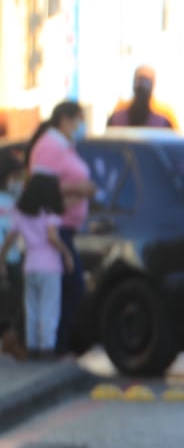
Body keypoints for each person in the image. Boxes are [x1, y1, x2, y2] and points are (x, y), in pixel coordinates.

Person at [27, 101, 95, 355]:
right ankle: (54, 346)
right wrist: (78, 190)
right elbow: (40, 186)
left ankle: (55, 345)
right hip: (55, 228)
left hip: (66, 226)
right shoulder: (49, 146)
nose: (81, 125)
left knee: (66, 289)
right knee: (69, 287)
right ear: (66, 119)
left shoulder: (66, 146)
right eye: (79, 120)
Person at [0, 174, 74, 360]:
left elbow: (10, 238)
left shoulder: (20, 213)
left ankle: (32, 347)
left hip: (30, 265)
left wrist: (1, 258)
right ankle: (47, 348)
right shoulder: (50, 213)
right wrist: (66, 253)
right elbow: (52, 236)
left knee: (31, 308)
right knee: (49, 308)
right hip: (50, 266)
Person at [107, 65, 178, 129]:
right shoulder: (119, 113)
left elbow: (176, 137)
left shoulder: (166, 114)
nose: (142, 84)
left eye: (147, 80)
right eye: (140, 79)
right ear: (134, 82)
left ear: (153, 83)